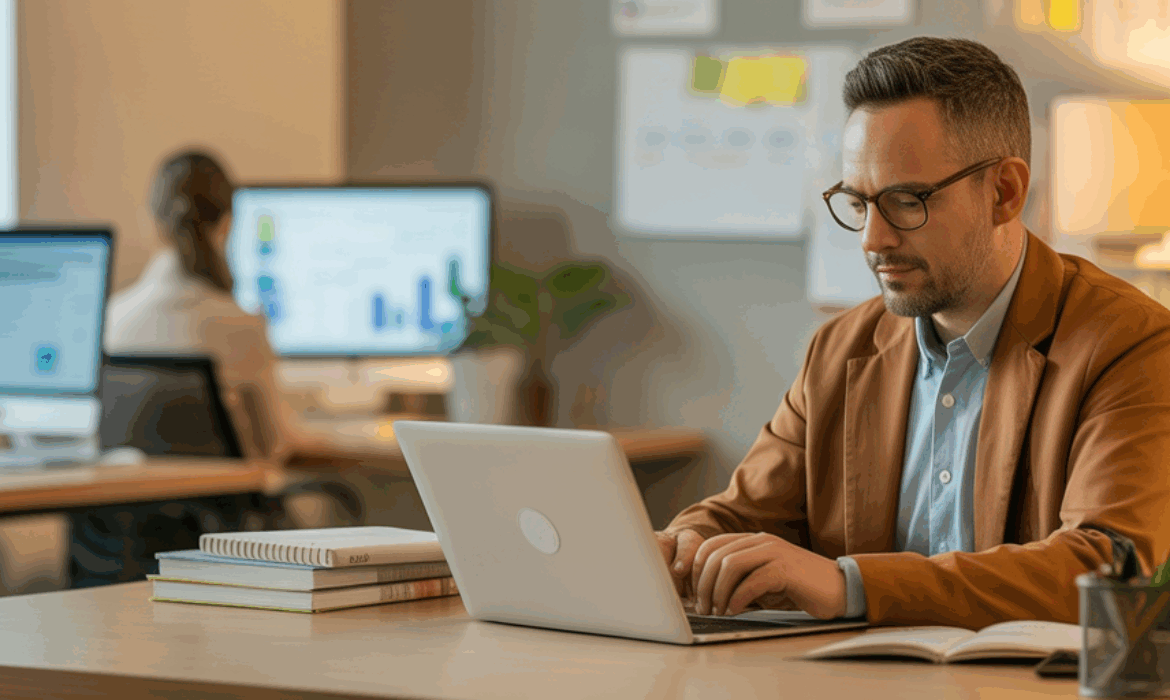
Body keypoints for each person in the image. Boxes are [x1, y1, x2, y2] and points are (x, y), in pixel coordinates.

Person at [657, 37, 1170, 630]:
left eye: (906, 201)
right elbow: (744, 515)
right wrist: (681, 547)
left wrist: (849, 585)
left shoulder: (1133, 344)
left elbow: (1108, 571)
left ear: (1004, 192)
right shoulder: (839, 347)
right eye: (858, 202)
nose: (873, 239)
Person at [69, 151, 351, 587]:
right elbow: (276, 444)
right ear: (228, 222)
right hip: (224, 548)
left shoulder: (111, 319)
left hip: (120, 548)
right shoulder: (239, 325)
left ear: (153, 221)